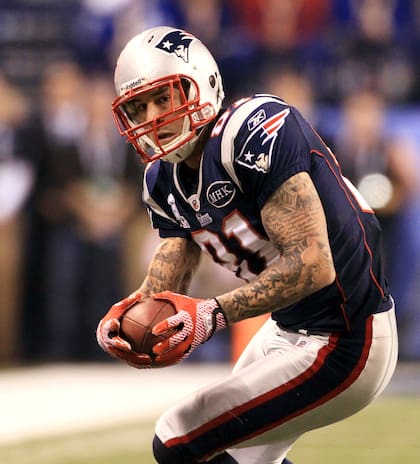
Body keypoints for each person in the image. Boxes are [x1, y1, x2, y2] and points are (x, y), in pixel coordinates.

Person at [96, 26, 398, 463]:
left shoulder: (253, 129)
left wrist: (211, 315)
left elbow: (313, 264)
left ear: (203, 83)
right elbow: (180, 246)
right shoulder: (160, 178)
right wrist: (134, 312)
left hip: (347, 335)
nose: (154, 117)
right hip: (289, 328)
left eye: (165, 97)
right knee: (237, 458)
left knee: (178, 439)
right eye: (139, 107)